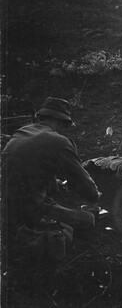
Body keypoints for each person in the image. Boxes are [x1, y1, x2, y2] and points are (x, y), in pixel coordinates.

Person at [1, 97, 102, 263]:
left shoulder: (23, 132)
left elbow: (29, 169)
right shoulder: (59, 141)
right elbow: (84, 184)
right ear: (61, 122)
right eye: (65, 125)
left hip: (8, 204)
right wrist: (94, 195)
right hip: (30, 209)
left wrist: (55, 184)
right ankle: (41, 237)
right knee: (87, 221)